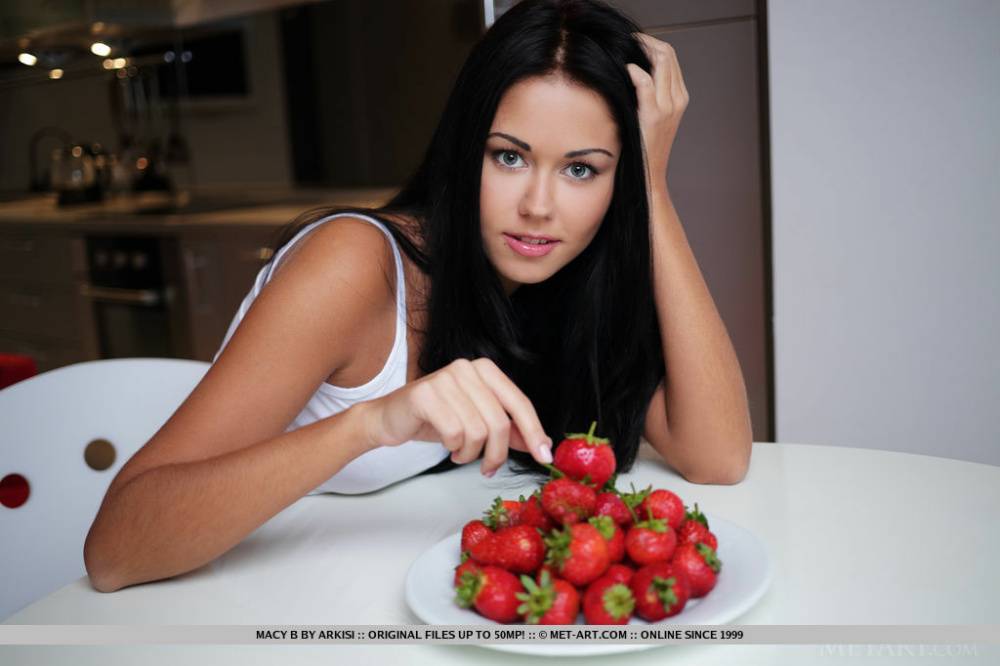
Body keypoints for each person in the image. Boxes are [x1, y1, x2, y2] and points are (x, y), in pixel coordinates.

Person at [84, 0, 752, 593]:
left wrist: (652, 187)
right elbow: (114, 551)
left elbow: (718, 457)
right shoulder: (353, 265)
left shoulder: (560, 277)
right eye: (509, 157)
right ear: (466, 151)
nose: (539, 206)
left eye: (582, 169)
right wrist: (373, 423)